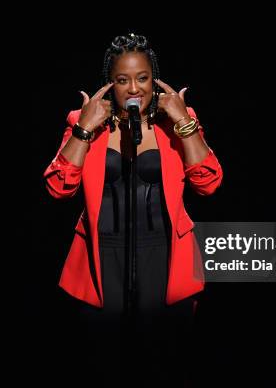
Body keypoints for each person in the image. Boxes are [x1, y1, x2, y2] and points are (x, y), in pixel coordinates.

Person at [43, 33, 223, 387]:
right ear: (110, 84)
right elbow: (57, 188)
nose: (134, 88)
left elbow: (209, 182)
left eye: (142, 77)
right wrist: (83, 129)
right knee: (103, 365)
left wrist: (182, 121)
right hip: (102, 260)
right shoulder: (83, 123)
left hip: (166, 255)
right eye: (122, 80)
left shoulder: (177, 122)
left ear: (154, 79)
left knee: (165, 365)